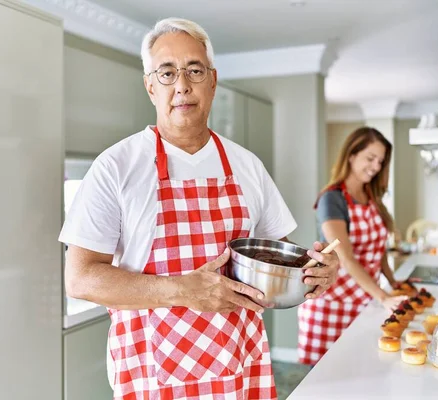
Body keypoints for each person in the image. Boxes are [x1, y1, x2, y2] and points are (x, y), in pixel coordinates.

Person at [59, 17, 339, 399]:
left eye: (194, 70)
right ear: (150, 86)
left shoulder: (246, 166)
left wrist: (313, 273)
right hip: (151, 374)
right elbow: (80, 278)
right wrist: (179, 290)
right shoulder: (117, 166)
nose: (182, 85)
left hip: (240, 368)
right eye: (167, 72)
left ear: (212, 80)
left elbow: (280, 260)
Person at [297, 127, 407, 365]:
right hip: (331, 304)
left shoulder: (372, 197)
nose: (376, 166)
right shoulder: (332, 199)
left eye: (380, 161)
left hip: (365, 299)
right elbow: (345, 257)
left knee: (363, 373)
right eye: (370, 158)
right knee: (326, 385)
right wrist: (383, 296)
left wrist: (394, 283)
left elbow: (378, 251)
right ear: (351, 155)